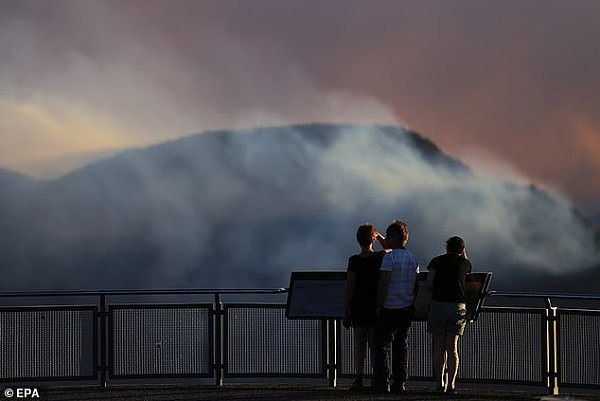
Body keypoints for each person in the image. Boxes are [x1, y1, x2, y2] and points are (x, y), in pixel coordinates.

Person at [371, 220, 419, 394]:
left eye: (389, 236)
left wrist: (378, 304)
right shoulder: (413, 258)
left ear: (395, 237)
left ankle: (382, 383)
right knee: (401, 345)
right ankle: (400, 383)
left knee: (382, 345)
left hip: (389, 307)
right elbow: (415, 285)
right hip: (406, 307)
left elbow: (383, 283)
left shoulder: (389, 258)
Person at [426, 236, 472, 395]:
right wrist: (464, 254)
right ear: (461, 249)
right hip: (457, 307)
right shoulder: (465, 263)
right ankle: (451, 385)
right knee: (452, 347)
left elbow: (430, 283)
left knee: (439, 346)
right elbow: (468, 268)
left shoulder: (436, 262)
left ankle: (440, 384)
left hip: (438, 304)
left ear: (447, 247)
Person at [343, 224, 387, 390]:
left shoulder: (354, 261)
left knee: (359, 343)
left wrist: (345, 310)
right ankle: (376, 378)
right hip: (376, 305)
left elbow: (350, 287)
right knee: (375, 344)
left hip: (359, 305)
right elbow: (392, 248)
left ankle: (359, 378)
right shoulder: (380, 257)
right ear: (373, 239)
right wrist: (379, 236)